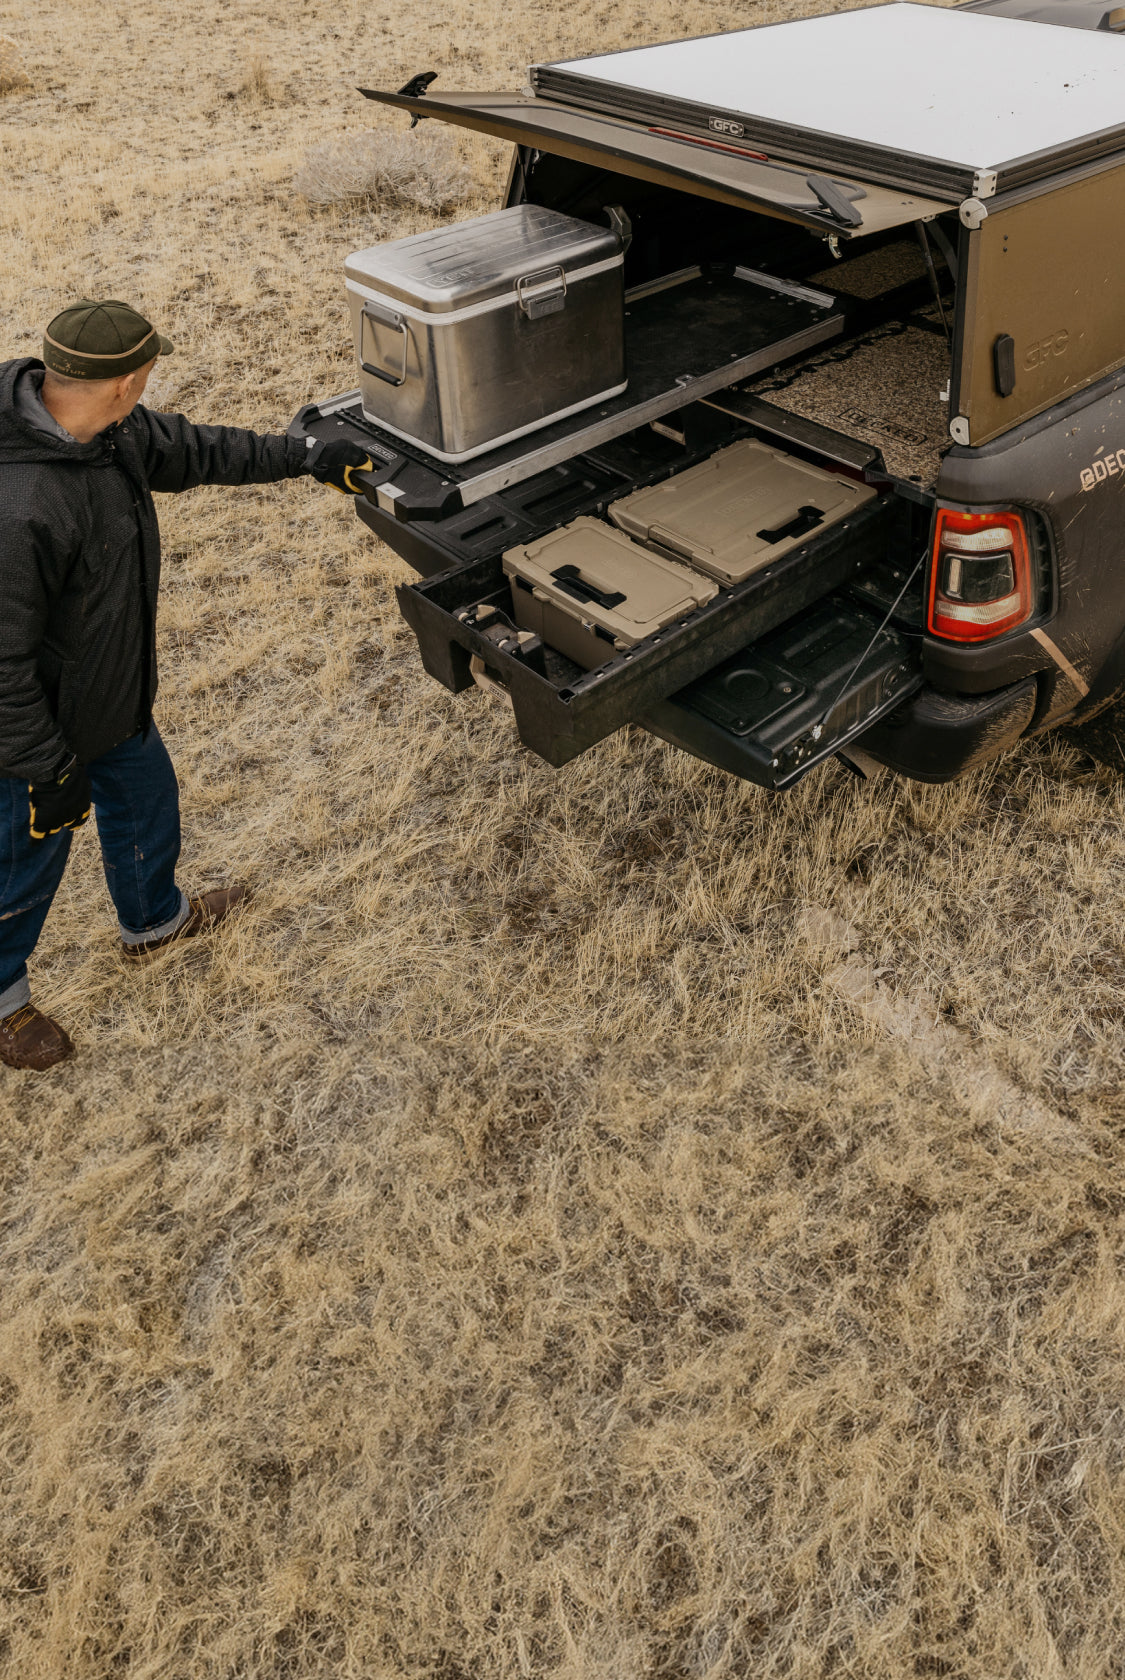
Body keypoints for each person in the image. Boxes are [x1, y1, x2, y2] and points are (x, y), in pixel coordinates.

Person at [0, 298, 371, 1071]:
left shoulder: (113, 431)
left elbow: (201, 451)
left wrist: (305, 455)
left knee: (144, 803)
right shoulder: (21, 505)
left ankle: (155, 924)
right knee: (22, 863)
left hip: (109, 691)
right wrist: (46, 770)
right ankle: (4, 1002)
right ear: (127, 380)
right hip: (28, 733)